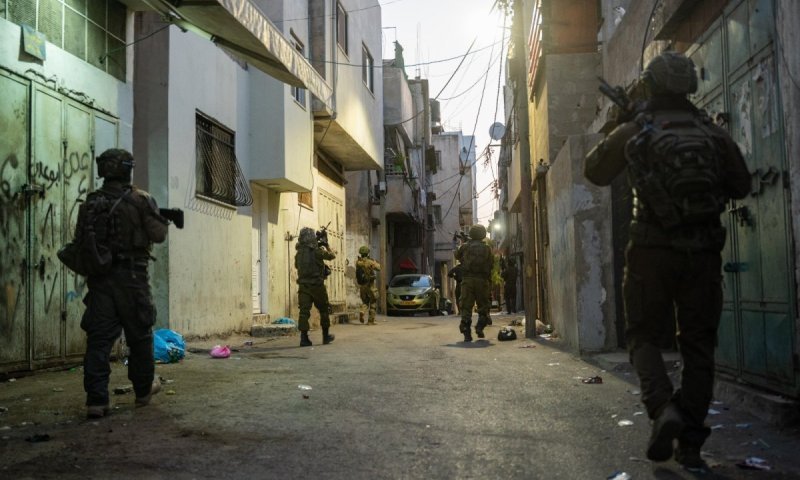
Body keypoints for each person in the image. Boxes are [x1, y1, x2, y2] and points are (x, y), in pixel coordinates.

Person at [584, 51, 750, 469]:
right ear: (689, 86)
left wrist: (621, 127)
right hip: (703, 253)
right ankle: (690, 443)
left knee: (641, 335)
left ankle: (662, 408)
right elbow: (742, 185)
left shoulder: (637, 129)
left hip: (650, 251)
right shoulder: (712, 133)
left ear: (652, 85)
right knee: (698, 346)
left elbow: (595, 171)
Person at [78, 149, 169, 419]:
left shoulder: (92, 202)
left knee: (98, 341)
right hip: (132, 280)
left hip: (100, 281)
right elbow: (158, 235)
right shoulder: (140, 200)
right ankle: (143, 391)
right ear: (128, 169)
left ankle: (96, 401)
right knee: (140, 336)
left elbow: (81, 240)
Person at [295, 227, 336, 346]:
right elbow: (332, 256)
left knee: (304, 312)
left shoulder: (299, 254)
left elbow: (297, 266)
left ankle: (304, 339)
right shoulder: (317, 251)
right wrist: (326, 244)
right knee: (324, 310)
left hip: (303, 286)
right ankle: (325, 336)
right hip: (317, 286)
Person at [454, 225, 494, 342]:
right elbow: (490, 263)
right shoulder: (487, 248)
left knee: (466, 307)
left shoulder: (465, 246)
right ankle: (480, 327)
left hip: (468, 280)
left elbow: (457, 255)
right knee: (483, 307)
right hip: (482, 281)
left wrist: (463, 243)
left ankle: (467, 333)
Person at [355, 245, 381, 325]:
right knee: (373, 302)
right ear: (367, 253)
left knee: (365, 301)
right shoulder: (370, 262)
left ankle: (362, 311)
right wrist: (375, 262)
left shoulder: (358, 262)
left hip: (362, 285)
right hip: (370, 285)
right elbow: (379, 268)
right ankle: (370, 321)